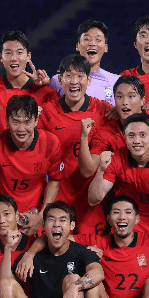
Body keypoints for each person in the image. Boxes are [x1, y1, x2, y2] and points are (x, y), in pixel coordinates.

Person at [0, 202, 104, 298]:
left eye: (62, 220)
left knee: (74, 279)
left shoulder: (81, 252)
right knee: (6, 282)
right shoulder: (31, 256)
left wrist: (75, 286)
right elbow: (3, 285)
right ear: (44, 226)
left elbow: (98, 272)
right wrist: (8, 248)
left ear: (72, 226)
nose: (56, 224)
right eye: (51, 220)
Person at [0, 95, 64, 248]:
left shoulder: (50, 142)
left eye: (27, 122)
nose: (21, 129)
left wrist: (41, 215)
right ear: (7, 121)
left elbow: (55, 179)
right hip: (1, 213)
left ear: (35, 120)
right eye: (15, 122)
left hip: (35, 211)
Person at [38, 54, 111, 235]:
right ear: (60, 79)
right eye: (68, 76)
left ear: (89, 79)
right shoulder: (46, 112)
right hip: (58, 198)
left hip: (91, 201)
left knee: (93, 253)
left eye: (80, 76)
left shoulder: (105, 111)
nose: (74, 81)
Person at [88, 112, 149, 235]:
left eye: (142, 135)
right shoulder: (116, 158)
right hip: (130, 220)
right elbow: (94, 200)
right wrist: (100, 170)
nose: (137, 141)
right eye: (131, 135)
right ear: (124, 137)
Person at [78, 75, 149, 180]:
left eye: (131, 96)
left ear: (143, 100)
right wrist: (83, 137)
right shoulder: (105, 132)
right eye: (119, 97)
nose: (124, 102)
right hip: (123, 192)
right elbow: (87, 172)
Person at [0, 31, 57, 130]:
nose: (14, 58)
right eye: (8, 53)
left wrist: (51, 83)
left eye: (19, 52)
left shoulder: (46, 92)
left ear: (28, 56)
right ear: (0, 57)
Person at [49, 20, 120, 105]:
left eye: (98, 40)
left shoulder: (116, 81)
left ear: (106, 48)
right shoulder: (58, 81)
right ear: (77, 46)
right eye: (87, 39)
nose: (92, 43)